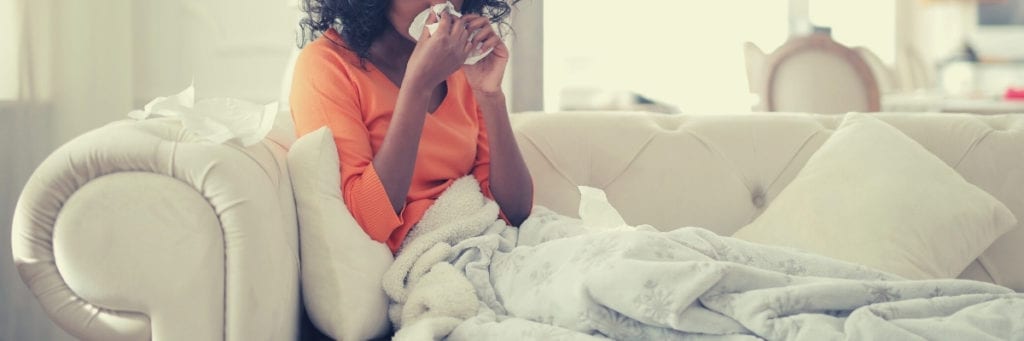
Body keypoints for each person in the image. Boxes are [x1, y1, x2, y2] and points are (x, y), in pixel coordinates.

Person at [290, 0, 533, 254]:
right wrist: (419, 86)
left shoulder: (461, 66)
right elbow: (368, 221)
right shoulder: (327, 65)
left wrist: (490, 95)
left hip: (488, 243)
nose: (442, 3)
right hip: (434, 261)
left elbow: (515, 211)